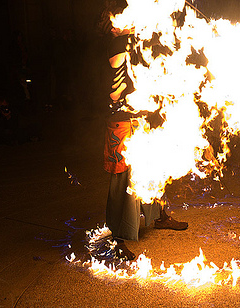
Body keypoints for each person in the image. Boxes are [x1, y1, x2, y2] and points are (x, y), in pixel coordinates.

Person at [101, 4, 188, 260]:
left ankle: (159, 216)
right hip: (122, 123)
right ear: (114, 25)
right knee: (125, 180)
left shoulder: (133, 44)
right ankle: (118, 238)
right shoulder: (115, 46)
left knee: (155, 166)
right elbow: (119, 68)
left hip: (142, 117)